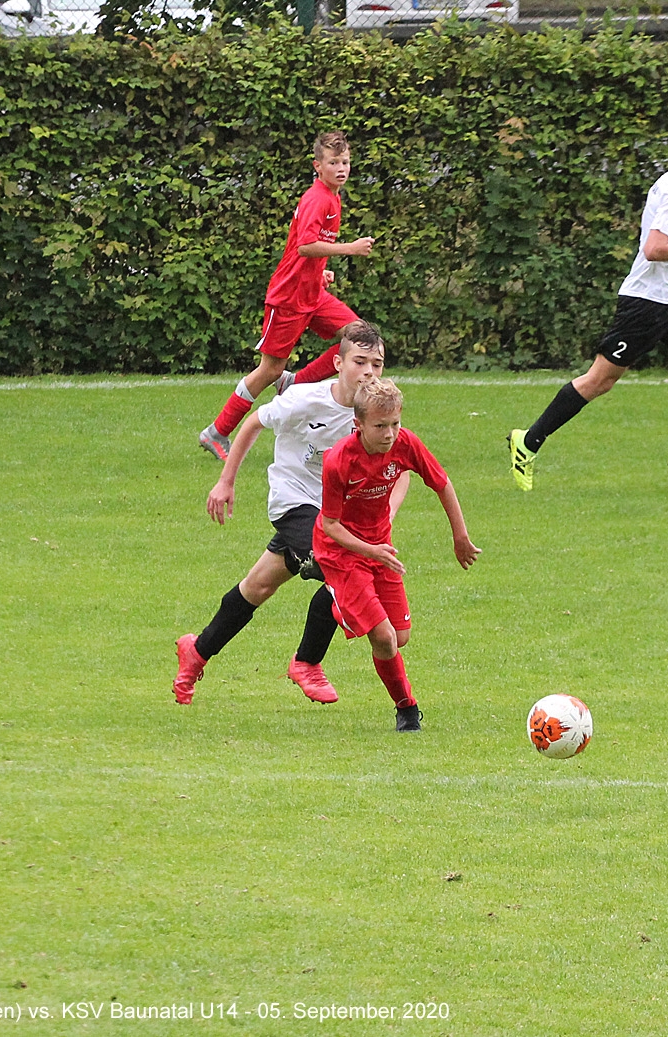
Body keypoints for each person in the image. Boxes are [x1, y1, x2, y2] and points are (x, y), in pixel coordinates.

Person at [174, 322, 407, 706]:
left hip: (335, 516)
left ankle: (197, 651)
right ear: (338, 363)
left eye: (377, 364)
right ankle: (307, 662)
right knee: (342, 573)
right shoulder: (305, 400)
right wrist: (225, 481)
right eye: (360, 362)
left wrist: (386, 516)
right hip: (294, 502)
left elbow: (402, 468)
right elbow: (254, 422)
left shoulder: (378, 414)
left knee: (258, 586)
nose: (369, 372)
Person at [508, 115, 668, 491]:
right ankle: (527, 442)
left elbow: (663, 247)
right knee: (600, 380)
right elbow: (653, 249)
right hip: (645, 305)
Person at [198, 130, 375, 462]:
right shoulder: (318, 198)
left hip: (311, 292)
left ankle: (296, 382)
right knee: (269, 370)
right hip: (289, 297)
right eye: (333, 162)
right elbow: (305, 245)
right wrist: (349, 249)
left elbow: (306, 248)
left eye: (345, 162)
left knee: (360, 337)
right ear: (317, 166)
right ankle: (217, 431)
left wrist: (319, 273)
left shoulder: (333, 196)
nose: (341, 168)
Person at [315, 379, 480, 732]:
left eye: (395, 423)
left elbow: (441, 483)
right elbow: (329, 525)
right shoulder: (338, 461)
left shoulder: (406, 443)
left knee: (400, 637)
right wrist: (371, 550)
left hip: (381, 547)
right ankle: (407, 709)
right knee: (384, 637)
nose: (389, 434)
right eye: (380, 426)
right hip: (341, 553)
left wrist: (460, 536)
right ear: (358, 425)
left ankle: (340, 605)